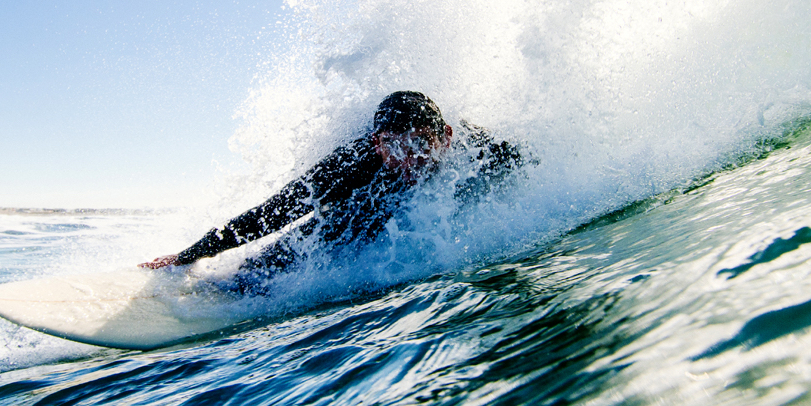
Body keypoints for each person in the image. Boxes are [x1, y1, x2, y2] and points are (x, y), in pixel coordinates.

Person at [142, 91, 527, 294]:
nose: (408, 159)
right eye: (393, 147)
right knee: (315, 239)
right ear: (377, 143)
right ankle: (225, 281)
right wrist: (190, 253)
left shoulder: (478, 150)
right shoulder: (352, 162)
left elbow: (530, 166)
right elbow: (274, 212)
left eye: (420, 144)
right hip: (359, 210)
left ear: (445, 137)